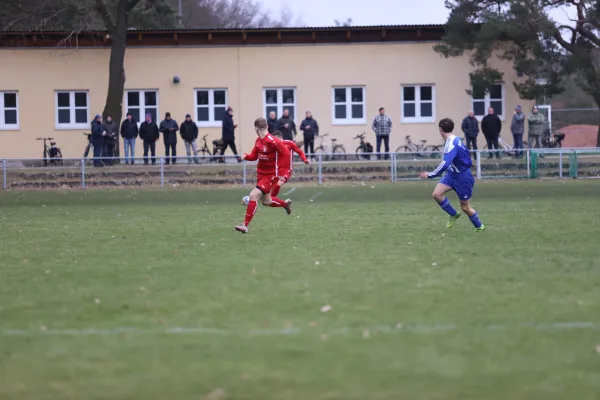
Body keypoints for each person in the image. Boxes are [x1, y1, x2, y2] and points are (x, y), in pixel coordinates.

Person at [418, 118, 485, 232]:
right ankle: (453, 214)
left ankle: (479, 227)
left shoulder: (451, 143)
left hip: (463, 178)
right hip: (452, 174)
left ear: (440, 129)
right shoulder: (455, 139)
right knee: (437, 194)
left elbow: (445, 163)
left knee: (465, 207)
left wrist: (430, 175)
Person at [235, 118, 293, 234]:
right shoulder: (259, 140)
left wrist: (282, 172)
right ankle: (285, 204)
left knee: (253, 195)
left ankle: (245, 225)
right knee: (266, 201)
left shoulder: (273, 141)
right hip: (261, 175)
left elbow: (286, 153)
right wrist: (245, 156)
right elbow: (254, 156)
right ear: (266, 127)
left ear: (256, 128)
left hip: (270, 176)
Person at [271, 130, 310, 197]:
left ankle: (272, 199)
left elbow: (299, 151)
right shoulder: (275, 145)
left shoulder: (289, 143)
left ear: (278, 137)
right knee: (271, 186)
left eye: (274, 138)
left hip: (286, 170)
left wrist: (305, 159)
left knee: (278, 185)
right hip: (277, 170)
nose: (273, 140)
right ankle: (269, 200)